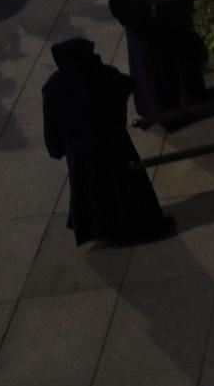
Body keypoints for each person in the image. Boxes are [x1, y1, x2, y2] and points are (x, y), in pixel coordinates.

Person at [40, 37, 173, 246]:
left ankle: (104, 229)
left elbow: (53, 124)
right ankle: (136, 225)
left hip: (81, 154)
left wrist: (56, 147)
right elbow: (125, 85)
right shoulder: (102, 75)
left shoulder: (54, 87)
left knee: (93, 192)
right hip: (113, 145)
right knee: (124, 187)